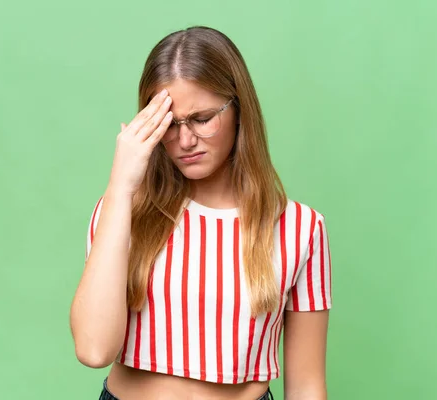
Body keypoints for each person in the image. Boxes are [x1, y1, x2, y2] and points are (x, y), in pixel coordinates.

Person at [70, 26, 333, 400]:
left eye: (202, 118)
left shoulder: (301, 229)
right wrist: (120, 189)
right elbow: (93, 349)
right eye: (169, 125)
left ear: (238, 108)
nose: (185, 140)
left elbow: (306, 386)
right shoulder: (122, 212)